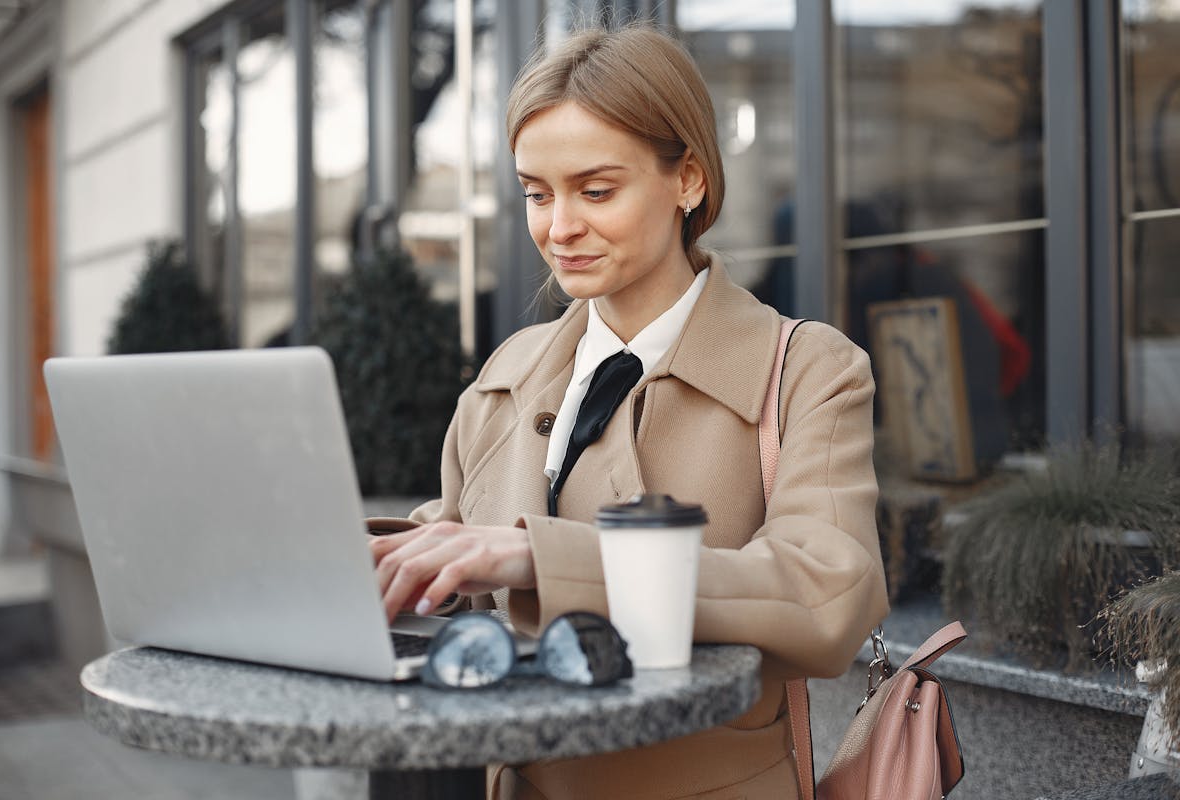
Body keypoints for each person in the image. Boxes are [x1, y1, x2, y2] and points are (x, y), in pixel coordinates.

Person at [366, 24, 888, 800]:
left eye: (596, 190)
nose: (559, 228)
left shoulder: (809, 369)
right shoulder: (508, 372)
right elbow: (456, 555)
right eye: (537, 194)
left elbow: (828, 593)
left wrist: (543, 560)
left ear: (689, 180)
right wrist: (362, 559)